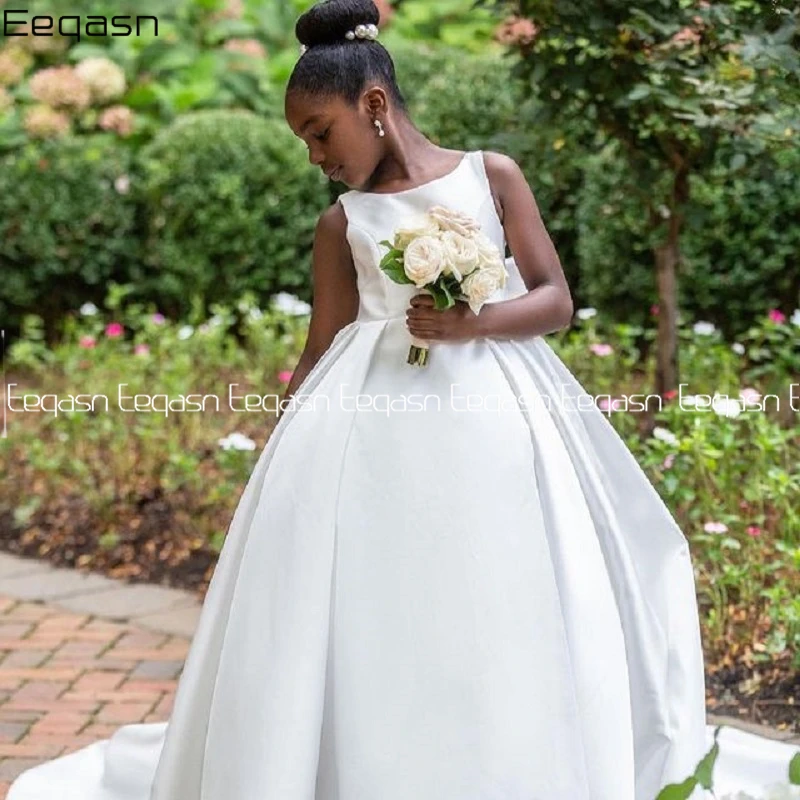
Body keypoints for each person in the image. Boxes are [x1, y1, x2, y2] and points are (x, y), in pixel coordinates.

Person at [14, 1, 790, 798]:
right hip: (365, 425)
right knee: (376, 601)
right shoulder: (340, 223)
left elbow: (556, 300)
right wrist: (281, 447)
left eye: (320, 131)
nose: (315, 154)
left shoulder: (491, 176)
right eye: (303, 141)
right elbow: (322, 342)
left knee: (494, 580)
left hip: (491, 412)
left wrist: (471, 322)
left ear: (374, 105)